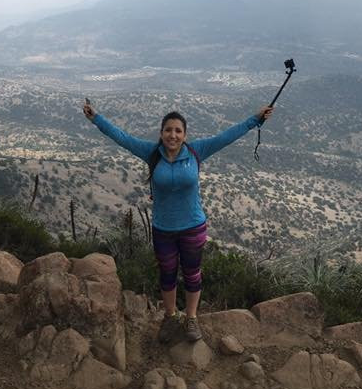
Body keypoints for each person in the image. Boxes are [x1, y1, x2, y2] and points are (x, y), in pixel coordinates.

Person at [83, 101, 274, 342]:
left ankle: (191, 318)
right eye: (168, 130)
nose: (173, 135)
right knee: (167, 274)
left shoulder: (196, 151)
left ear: (185, 135)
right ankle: (171, 316)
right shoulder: (151, 153)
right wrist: (96, 118)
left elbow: (228, 136)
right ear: (161, 133)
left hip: (193, 227)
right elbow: (121, 137)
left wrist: (255, 119)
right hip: (163, 228)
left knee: (193, 274)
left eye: (178, 131)